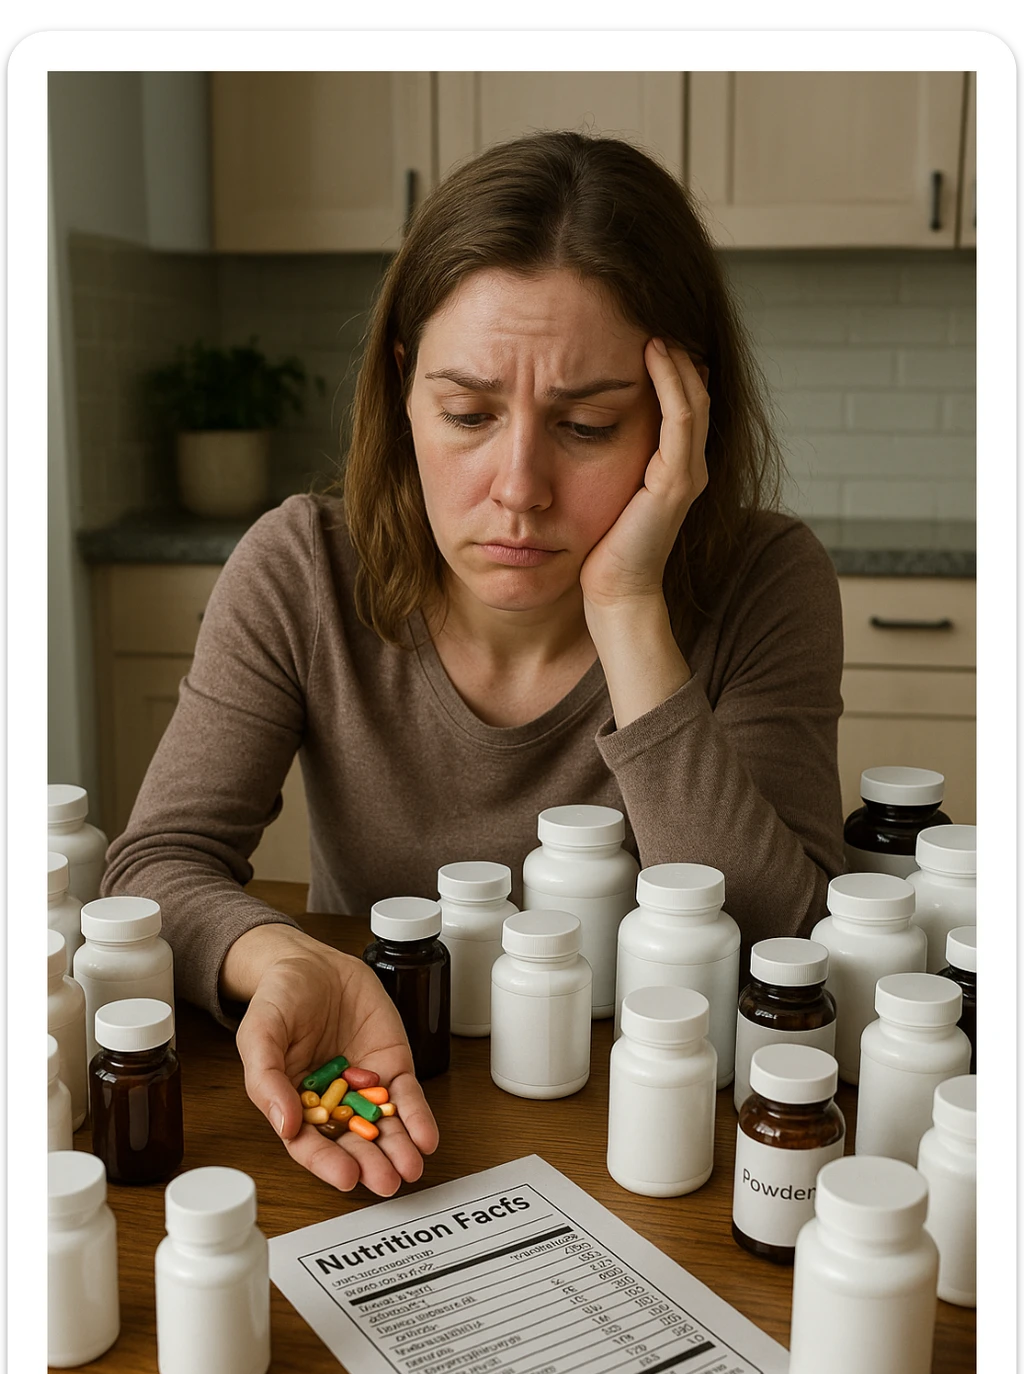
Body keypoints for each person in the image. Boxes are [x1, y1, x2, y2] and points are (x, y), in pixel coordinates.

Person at [103, 130, 845, 1200]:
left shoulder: (763, 578)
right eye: (467, 414)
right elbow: (153, 866)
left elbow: (786, 944)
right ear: (404, 394)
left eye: (587, 425)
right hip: (394, 1109)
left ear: (681, 422)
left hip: (664, 1150)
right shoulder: (301, 566)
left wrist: (629, 609)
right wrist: (291, 960)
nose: (518, 488)